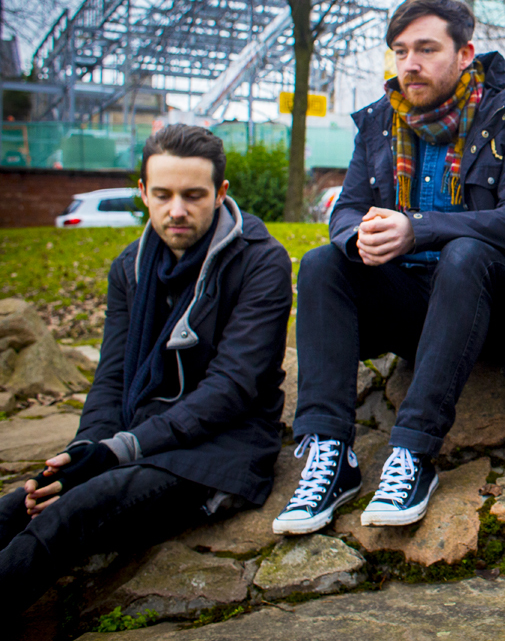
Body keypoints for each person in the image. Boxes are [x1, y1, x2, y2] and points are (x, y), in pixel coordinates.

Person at [273, 0, 505, 534]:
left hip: (485, 310)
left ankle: (413, 452)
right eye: (399, 51)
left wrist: (417, 229)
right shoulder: (377, 123)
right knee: (323, 261)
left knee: (464, 253)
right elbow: (345, 208)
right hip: (409, 309)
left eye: (425, 49)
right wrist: (358, 239)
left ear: (465, 55)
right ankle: (330, 454)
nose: (409, 65)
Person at [0, 125, 292, 615]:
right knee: (22, 502)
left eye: (193, 196)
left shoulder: (261, 263)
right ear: (143, 194)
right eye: (163, 195)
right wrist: (86, 451)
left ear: (221, 194)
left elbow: (232, 388)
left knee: (74, 510)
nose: (176, 210)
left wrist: (116, 454)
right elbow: (111, 377)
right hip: (140, 435)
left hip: (222, 446)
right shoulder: (129, 267)